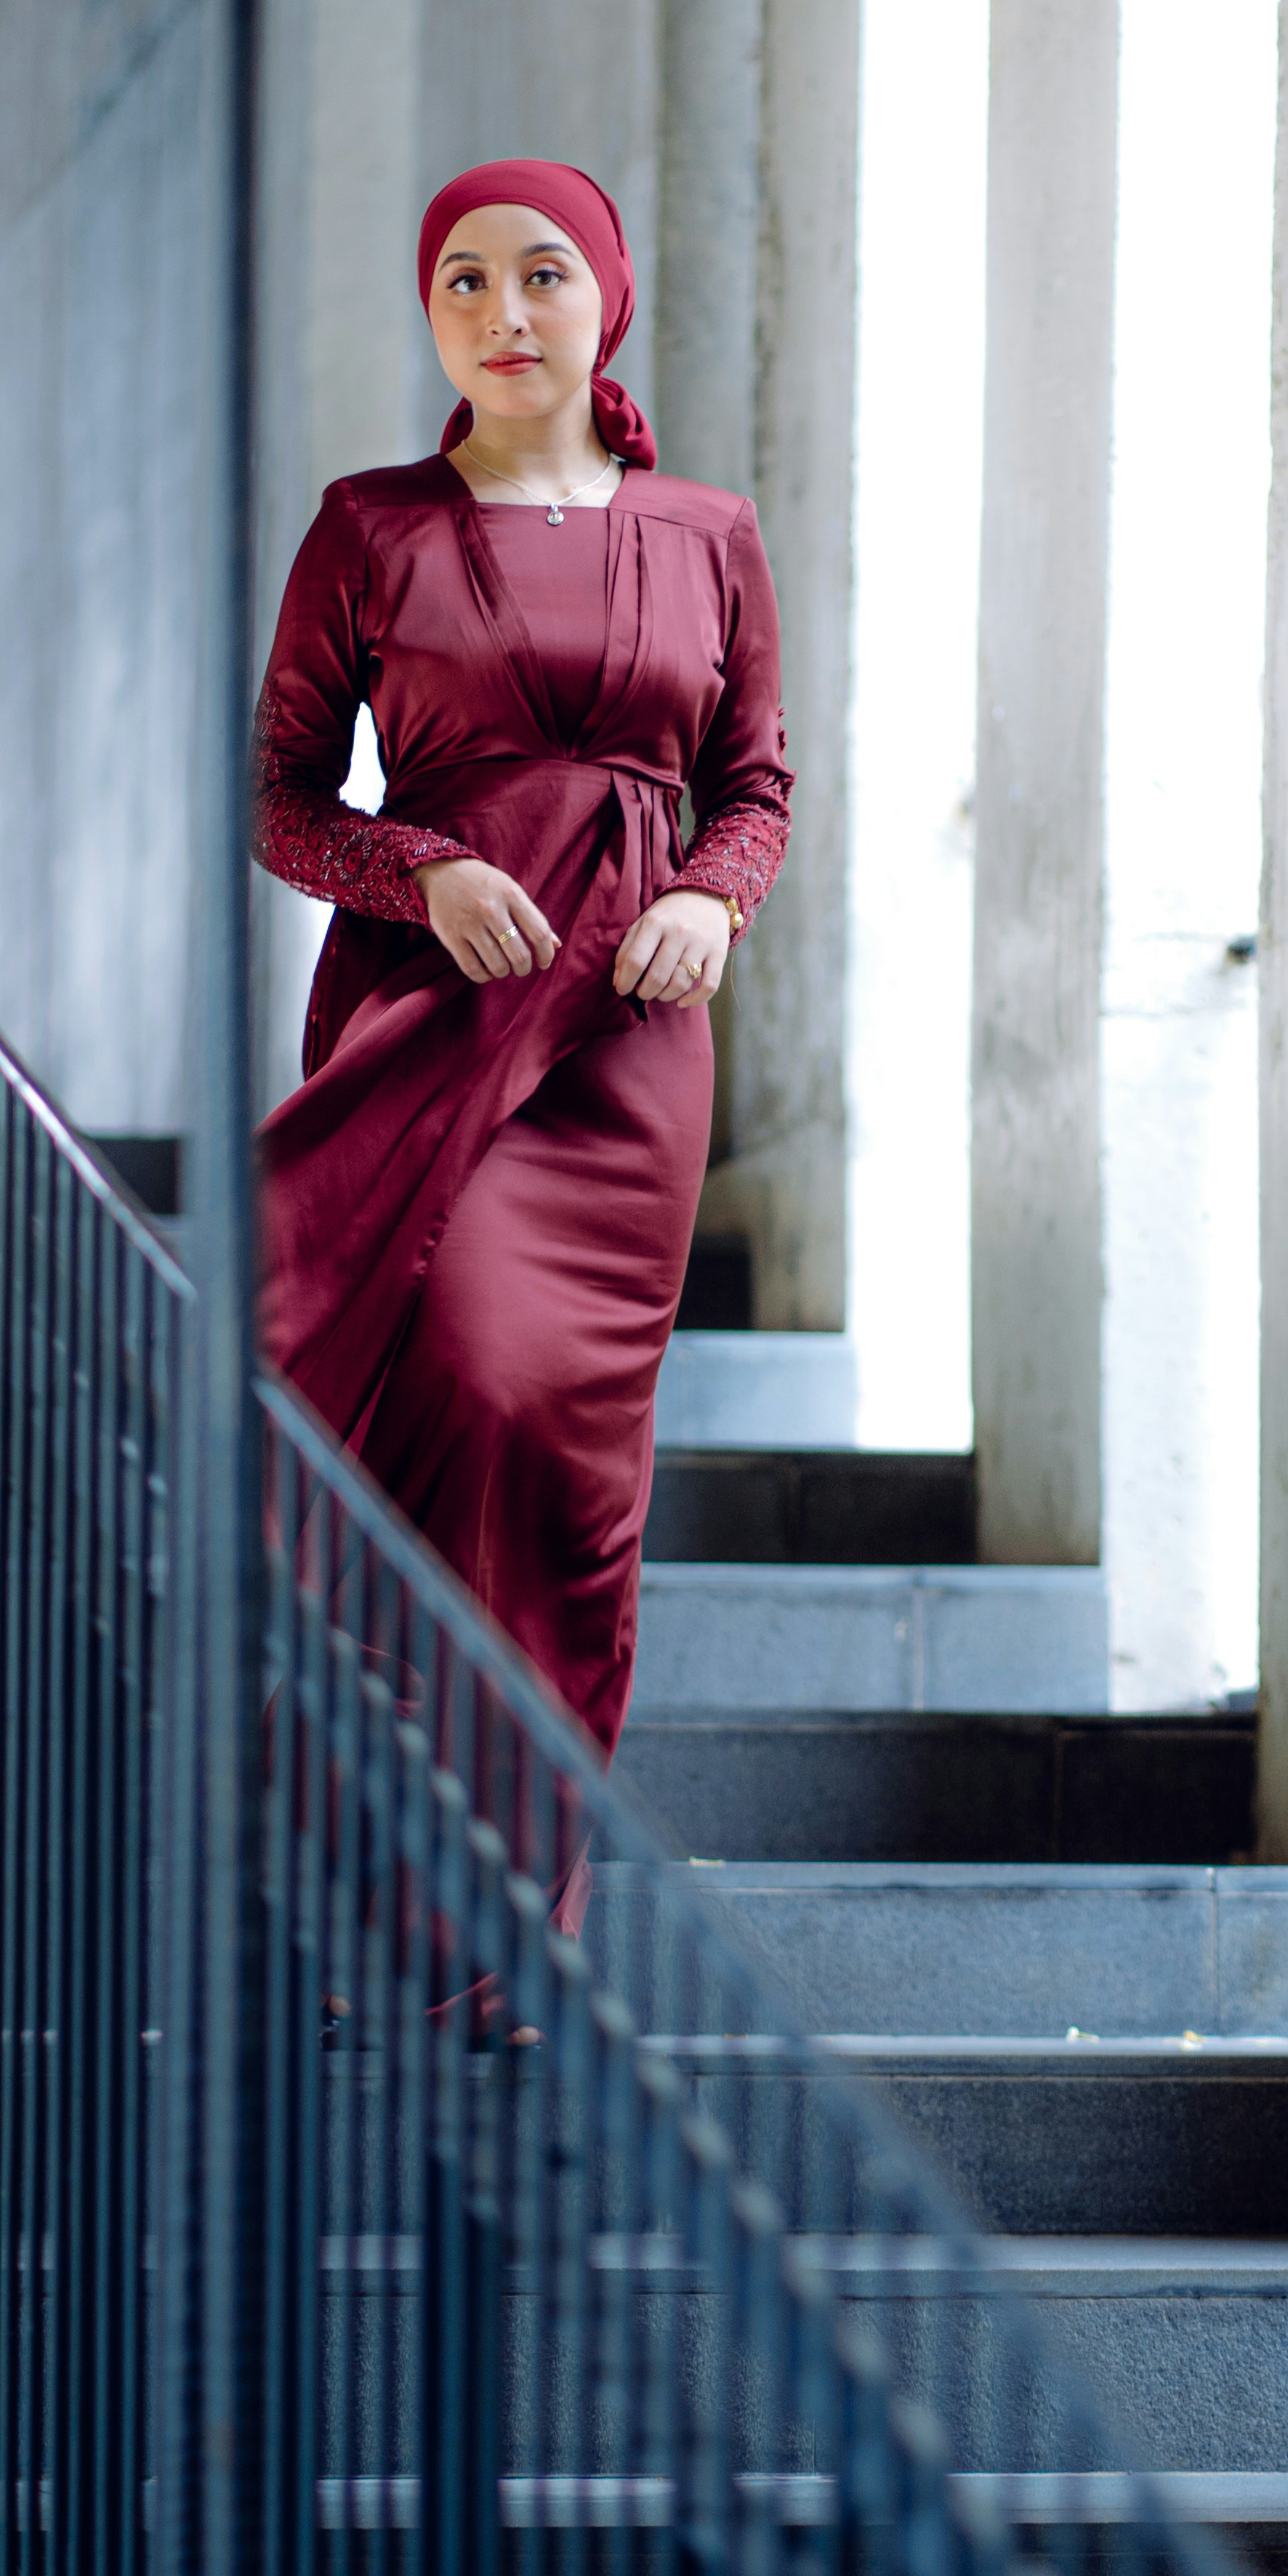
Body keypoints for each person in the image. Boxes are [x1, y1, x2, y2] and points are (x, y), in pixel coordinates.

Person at [250, 159, 789, 1872]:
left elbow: (755, 785)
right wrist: (420, 872)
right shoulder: (367, 525)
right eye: (463, 281)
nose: (502, 311)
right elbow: (276, 797)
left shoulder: (709, 533)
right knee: (466, 1385)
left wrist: (711, 896)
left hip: (631, 1040)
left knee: (568, 1468)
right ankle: (384, 1866)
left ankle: (508, 1901)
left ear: (605, 298)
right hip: (440, 1021)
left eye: (541, 274)